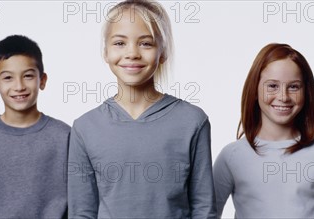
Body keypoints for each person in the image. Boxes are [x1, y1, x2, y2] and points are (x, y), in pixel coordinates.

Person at [67, 0, 216, 218]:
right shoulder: (85, 128)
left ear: (163, 52)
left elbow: (204, 209)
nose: (132, 53)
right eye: (120, 43)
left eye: (145, 43)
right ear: (105, 51)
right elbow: (82, 212)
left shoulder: (193, 121)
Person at [213, 43, 314, 218]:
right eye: (272, 86)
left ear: (307, 92)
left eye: (294, 87)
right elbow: (207, 213)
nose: (283, 97)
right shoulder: (232, 156)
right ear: (255, 90)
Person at [0, 35, 71, 218]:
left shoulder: (64, 136)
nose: (19, 86)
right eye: (8, 78)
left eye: (27, 76)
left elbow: (80, 203)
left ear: (42, 80)